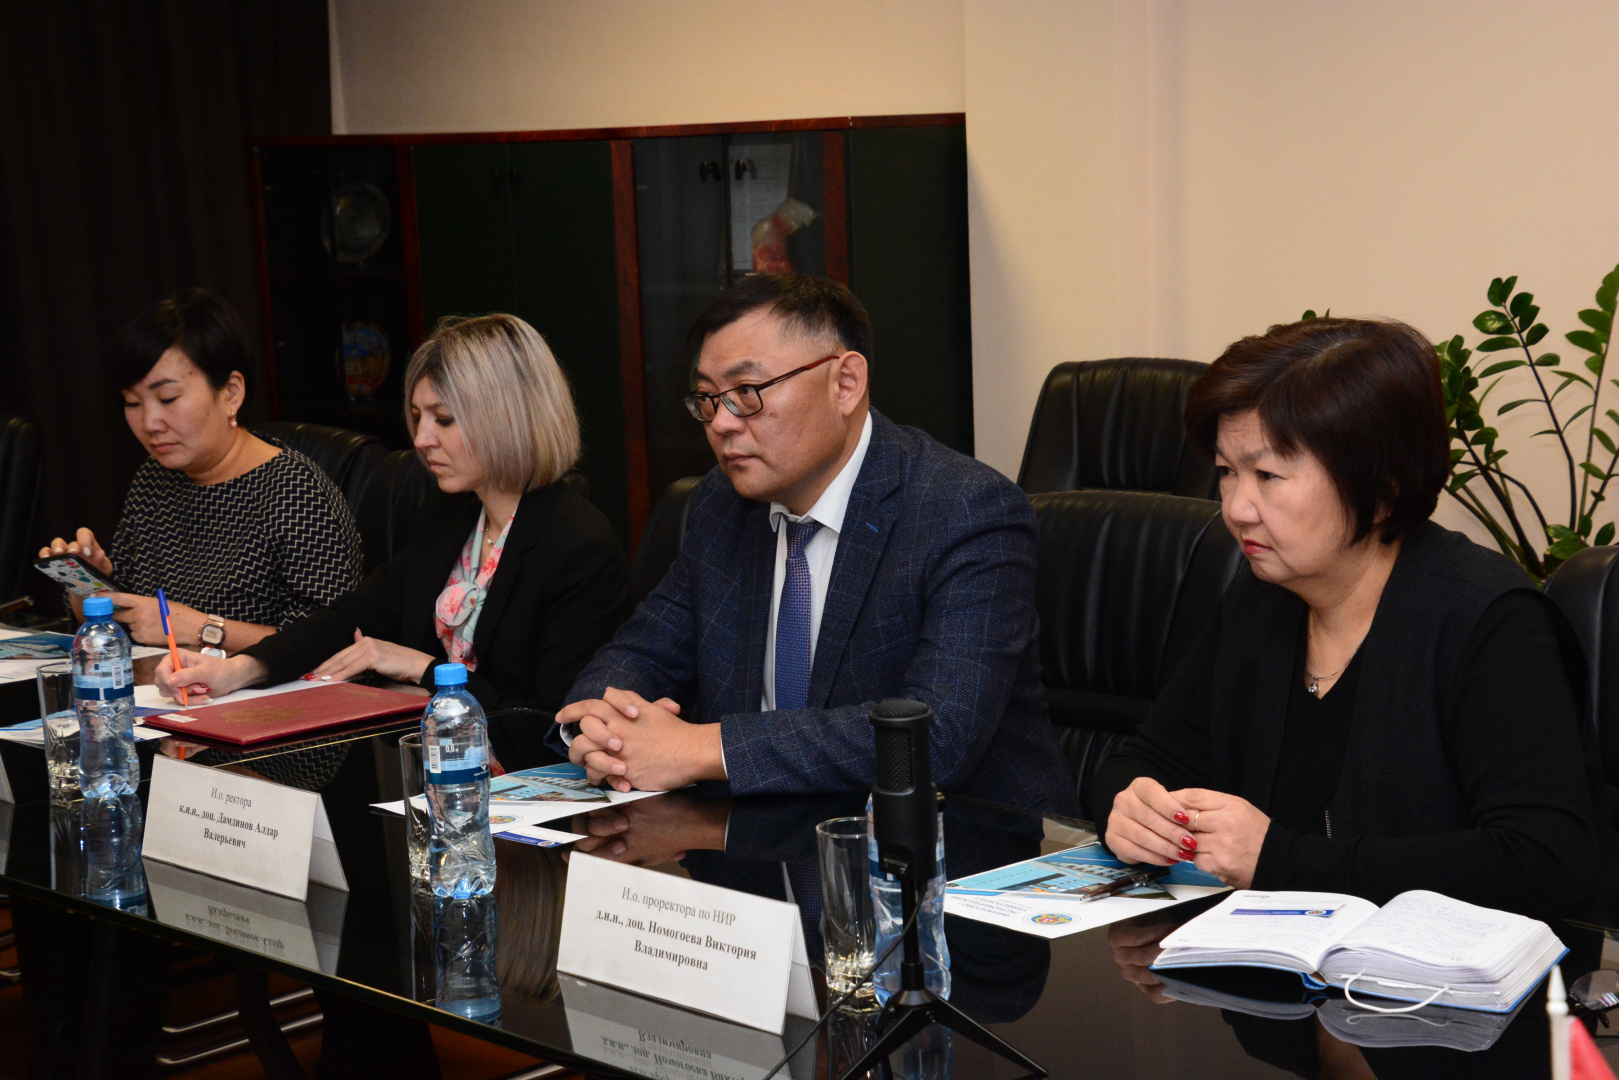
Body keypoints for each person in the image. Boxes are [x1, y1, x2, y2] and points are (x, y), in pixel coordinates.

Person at [1092, 316, 1612, 920]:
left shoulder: (1492, 622)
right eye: (1227, 471)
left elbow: (1543, 862)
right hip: (1275, 964)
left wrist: (1280, 860)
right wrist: (1129, 808)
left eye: (1268, 475)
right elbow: (1143, 761)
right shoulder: (1260, 601)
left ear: (1382, 487)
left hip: (1438, 976)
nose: (1235, 508)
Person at [551, 273, 1073, 812]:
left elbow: (935, 737)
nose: (722, 423)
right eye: (707, 398)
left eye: (747, 393)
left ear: (844, 384)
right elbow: (640, 653)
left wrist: (701, 748)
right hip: (762, 837)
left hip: (962, 842)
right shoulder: (721, 504)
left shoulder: (965, 510)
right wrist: (603, 731)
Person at [155, 313, 631, 712]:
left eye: (444, 419)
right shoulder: (453, 512)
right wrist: (240, 669)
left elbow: (548, 724)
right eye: (418, 416)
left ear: (507, 418)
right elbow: (356, 613)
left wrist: (420, 668)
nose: (422, 439)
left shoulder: (579, 547)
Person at [40, 288, 361, 652]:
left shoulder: (297, 492)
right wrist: (90, 588)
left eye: (168, 399)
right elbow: (133, 623)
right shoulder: (154, 478)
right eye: (132, 402)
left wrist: (202, 628)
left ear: (231, 393)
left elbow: (332, 642)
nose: (150, 423)